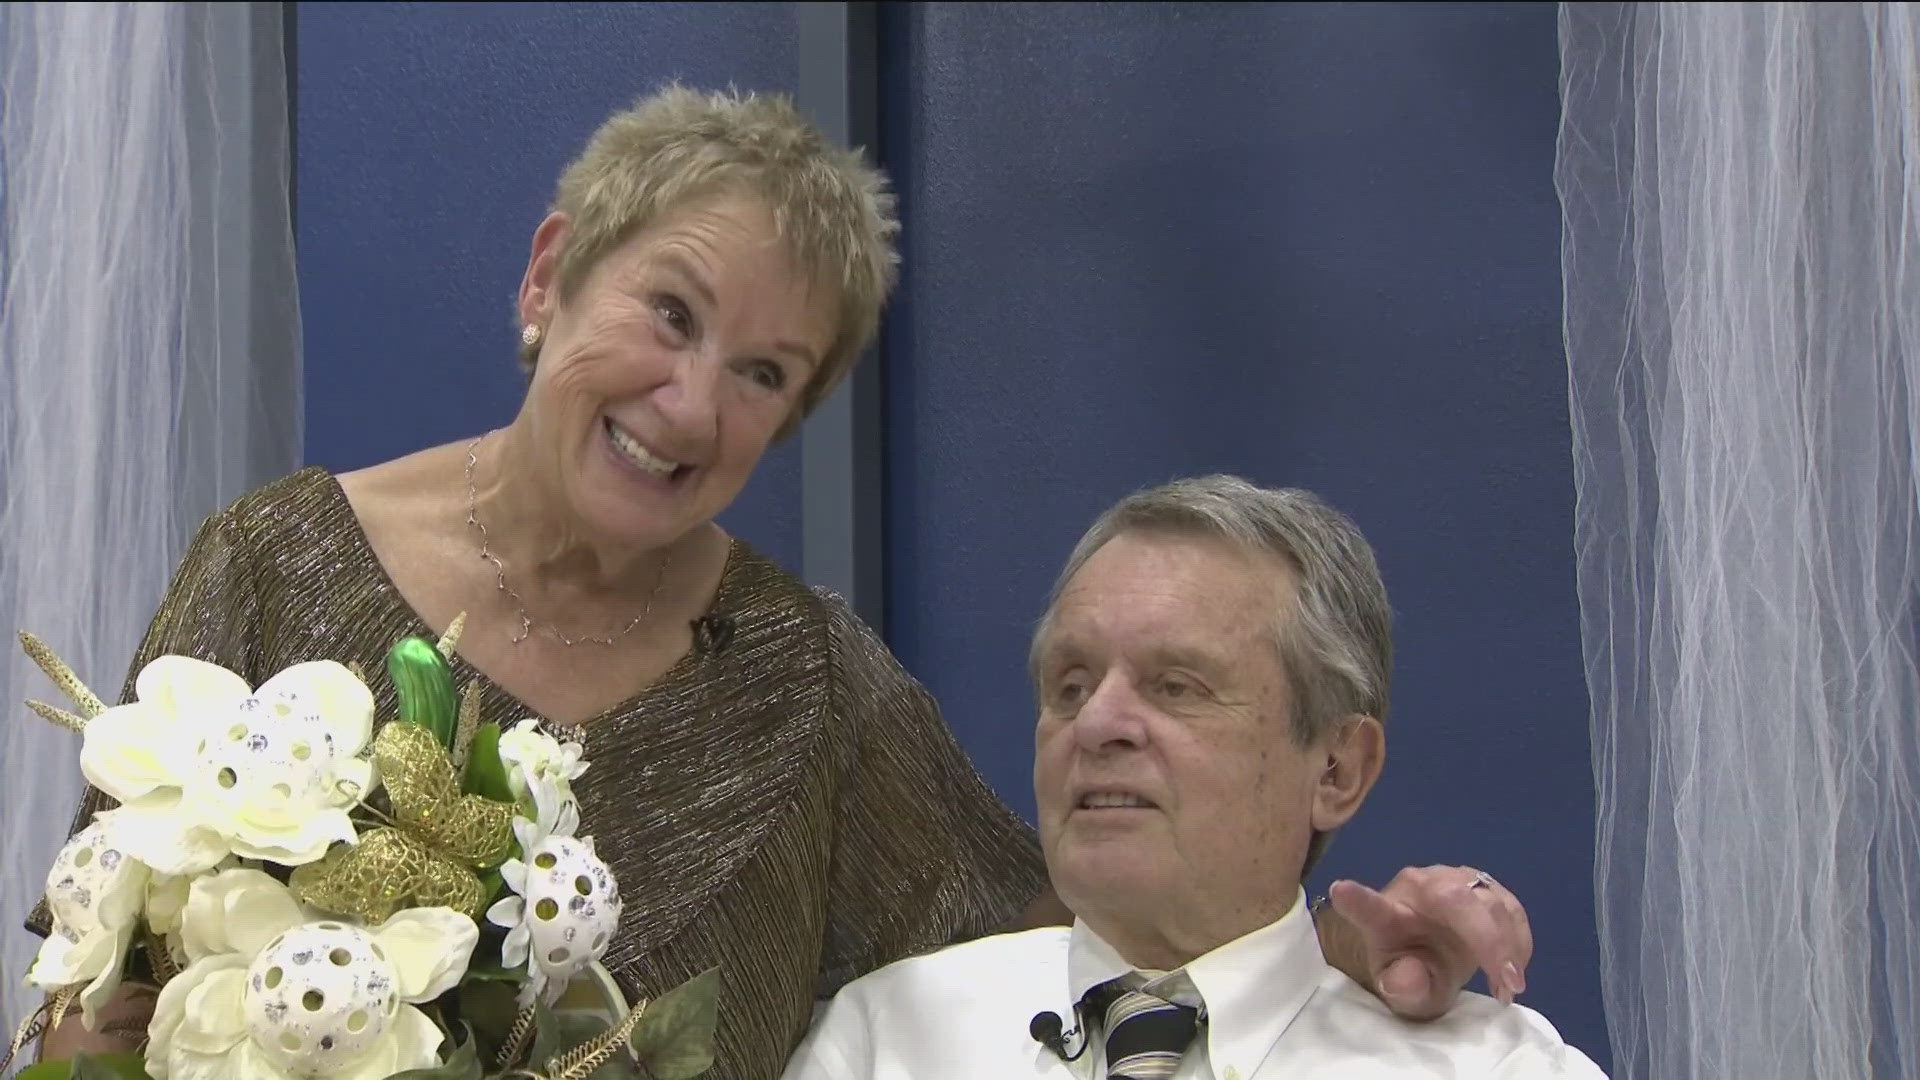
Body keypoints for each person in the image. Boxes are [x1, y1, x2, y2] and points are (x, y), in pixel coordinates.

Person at [31, 87, 1533, 1078]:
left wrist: (1330, 953)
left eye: (761, 374)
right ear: (552, 274)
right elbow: (86, 970)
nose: (690, 404)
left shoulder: (809, 691)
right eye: (668, 315)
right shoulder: (276, 565)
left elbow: (1115, 927)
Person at [781, 476, 1605, 1079]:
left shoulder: (1493, 1069)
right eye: (1070, 686)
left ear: (1337, 768)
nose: (1098, 724)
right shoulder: (886, 1039)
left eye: (1178, 687)